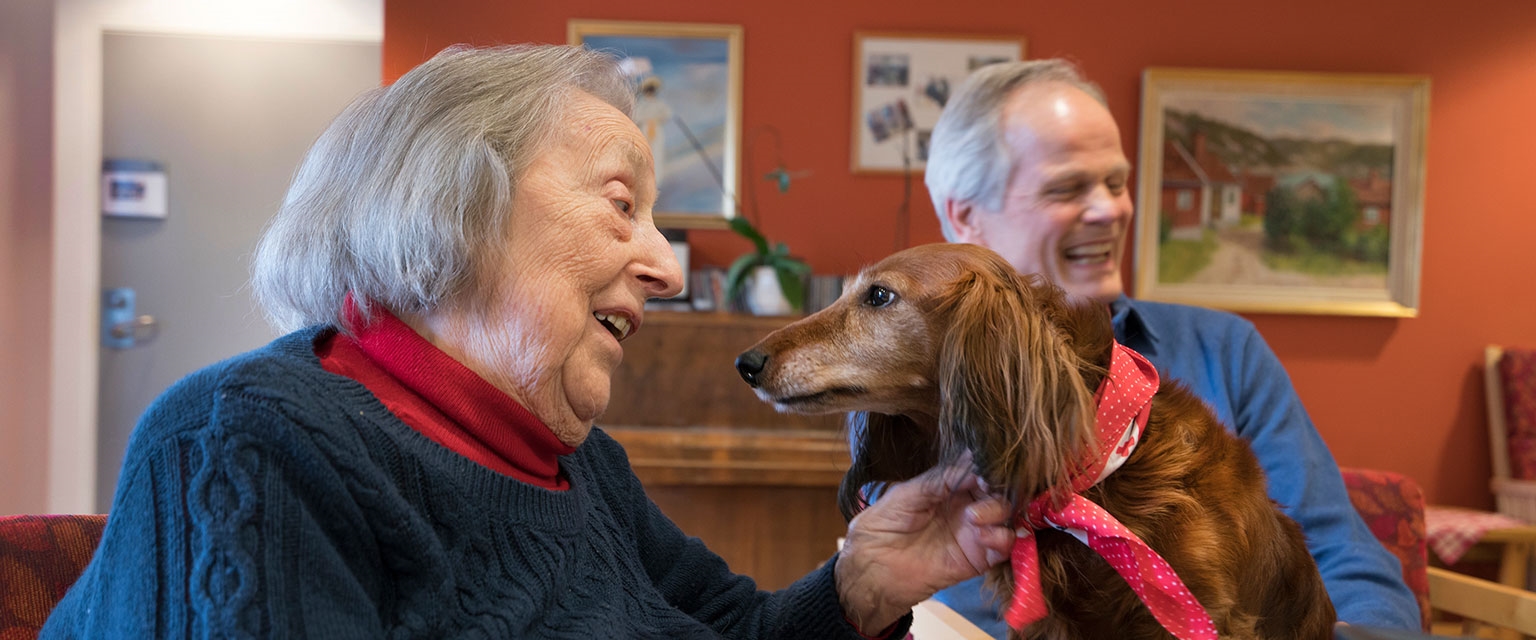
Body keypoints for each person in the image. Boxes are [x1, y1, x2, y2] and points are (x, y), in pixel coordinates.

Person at [41, 44, 1015, 640]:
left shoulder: (580, 464)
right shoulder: (247, 443)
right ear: (457, 204)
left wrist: (862, 580)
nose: (668, 271)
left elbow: (740, 631)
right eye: (621, 206)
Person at [920, 59, 1422, 636]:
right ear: (966, 217)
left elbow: (1342, 555)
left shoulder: (1225, 351)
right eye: (1067, 188)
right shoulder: (922, 394)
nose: (1112, 209)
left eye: (1116, 182)